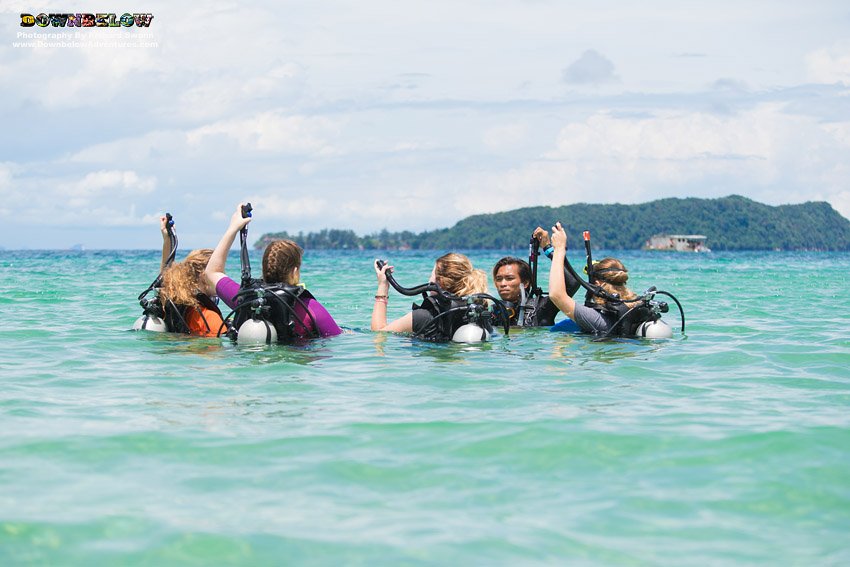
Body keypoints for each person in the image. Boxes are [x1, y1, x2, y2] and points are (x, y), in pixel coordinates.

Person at [205, 203, 342, 339]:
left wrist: (233, 228)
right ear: (294, 271)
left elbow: (212, 272)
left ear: (265, 268)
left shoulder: (246, 298)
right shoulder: (311, 308)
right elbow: (336, 340)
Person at [372, 252, 490, 341]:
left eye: (431, 275)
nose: (429, 280)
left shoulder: (424, 317)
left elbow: (379, 334)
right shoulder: (477, 311)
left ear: (440, 282)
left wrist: (382, 286)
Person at [548, 222, 640, 335]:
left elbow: (556, 295)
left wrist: (559, 249)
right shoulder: (635, 306)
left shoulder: (597, 319)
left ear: (597, 283)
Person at [491, 226, 580, 327]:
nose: (503, 284)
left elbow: (572, 283)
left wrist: (548, 248)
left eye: (509, 278)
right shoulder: (493, 313)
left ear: (525, 283)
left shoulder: (541, 308)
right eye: (499, 279)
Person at [153, 215, 224, 337]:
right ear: (204, 276)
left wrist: (167, 240)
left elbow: (165, 280)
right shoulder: (210, 319)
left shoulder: (171, 305)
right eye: (219, 272)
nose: (223, 277)